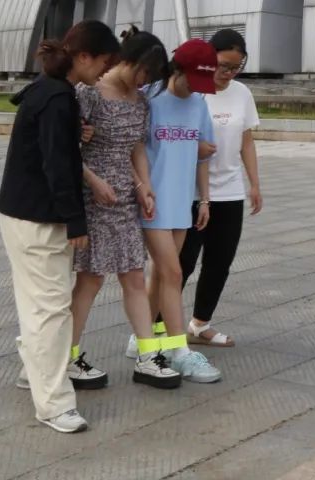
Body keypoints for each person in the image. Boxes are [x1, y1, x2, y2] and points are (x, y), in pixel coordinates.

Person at [0, 20, 119, 434]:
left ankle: (33, 373)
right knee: (50, 309)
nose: (104, 71)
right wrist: (75, 220)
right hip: (38, 217)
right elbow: (57, 165)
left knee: (39, 303)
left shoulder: (48, 90)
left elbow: (54, 148)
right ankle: (54, 404)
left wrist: (73, 134)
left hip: (21, 212)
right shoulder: (57, 97)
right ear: (83, 56)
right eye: (103, 62)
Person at [67, 29, 182, 390]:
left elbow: (136, 149)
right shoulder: (90, 93)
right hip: (94, 197)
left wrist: (143, 187)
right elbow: (67, 148)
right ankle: (66, 356)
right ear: (130, 60)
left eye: (151, 77)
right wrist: (93, 181)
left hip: (125, 198)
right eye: (145, 72)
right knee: (91, 279)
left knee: (133, 274)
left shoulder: (140, 101)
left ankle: (147, 356)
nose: (145, 81)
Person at [126, 38, 223, 383]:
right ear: (176, 70)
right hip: (153, 201)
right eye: (191, 80)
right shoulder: (148, 98)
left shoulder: (198, 104)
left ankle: (141, 340)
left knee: (162, 275)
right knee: (173, 273)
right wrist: (141, 186)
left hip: (182, 201)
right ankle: (179, 350)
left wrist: (204, 199)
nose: (194, 89)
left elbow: (203, 155)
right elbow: (132, 147)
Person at [178, 28, 263, 348]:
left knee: (219, 261)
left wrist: (254, 183)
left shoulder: (242, 93)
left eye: (235, 67)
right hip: (191, 192)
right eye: (223, 65)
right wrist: (195, 146)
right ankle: (156, 326)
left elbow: (246, 140)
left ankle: (200, 324)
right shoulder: (193, 91)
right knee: (182, 263)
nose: (228, 73)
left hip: (229, 190)